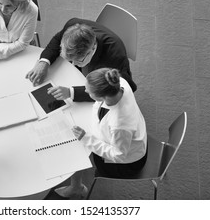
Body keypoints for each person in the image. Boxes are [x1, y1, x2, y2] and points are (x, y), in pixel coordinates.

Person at [54, 68, 147, 199]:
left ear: (101, 96)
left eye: (88, 90)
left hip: (125, 164)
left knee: (78, 150)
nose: (85, 90)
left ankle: (76, 188)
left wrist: (86, 139)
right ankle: (75, 185)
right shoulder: (119, 83)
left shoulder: (120, 124)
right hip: (128, 138)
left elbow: (118, 155)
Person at [25, 18, 137, 102]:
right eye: (70, 60)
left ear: (92, 48)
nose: (72, 65)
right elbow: (56, 41)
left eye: (78, 61)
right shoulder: (72, 26)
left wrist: (72, 92)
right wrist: (43, 62)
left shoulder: (114, 56)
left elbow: (116, 89)